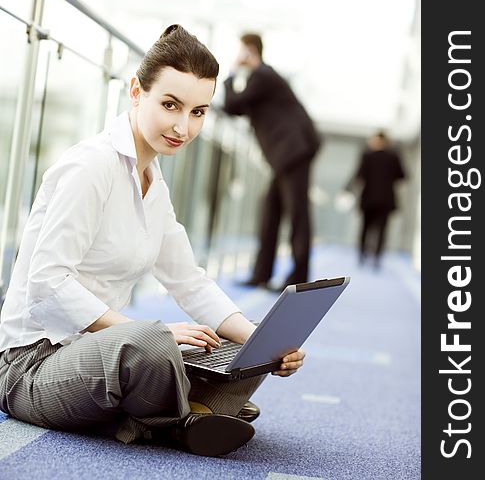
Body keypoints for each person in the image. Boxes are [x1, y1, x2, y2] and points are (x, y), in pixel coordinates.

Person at [0, 25, 305, 458]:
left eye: (198, 112)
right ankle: (186, 415)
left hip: (99, 355)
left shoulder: (154, 184)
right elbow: (47, 286)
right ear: (136, 91)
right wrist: (150, 333)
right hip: (32, 366)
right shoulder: (92, 167)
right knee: (151, 345)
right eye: (170, 105)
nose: (183, 126)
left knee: (238, 347)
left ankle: (179, 406)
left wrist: (263, 342)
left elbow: (191, 283)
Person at [222, 33, 320, 291]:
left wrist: (232, 73)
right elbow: (235, 109)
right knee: (271, 211)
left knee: (297, 214)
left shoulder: (263, 76)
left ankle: (298, 279)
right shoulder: (262, 80)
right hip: (285, 156)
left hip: (293, 152)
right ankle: (261, 274)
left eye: (242, 51)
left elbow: (233, 104)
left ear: (250, 51)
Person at [347, 130, 406, 268]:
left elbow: (359, 175)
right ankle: (376, 257)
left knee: (365, 228)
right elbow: (402, 176)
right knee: (381, 230)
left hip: (368, 199)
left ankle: (362, 254)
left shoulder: (367, 155)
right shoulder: (393, 157)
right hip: (385, 200)